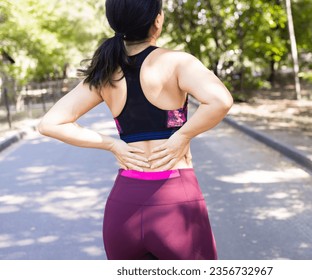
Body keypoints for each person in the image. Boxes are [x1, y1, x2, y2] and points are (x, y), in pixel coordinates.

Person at [38, 0, 233, 260]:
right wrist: (182, 135)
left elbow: (49, 123)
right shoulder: (176, 62)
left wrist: (112, 144)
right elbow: (220, 100)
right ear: (158, 20)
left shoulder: (105, 73)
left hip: (124, 206)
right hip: (176, 199)